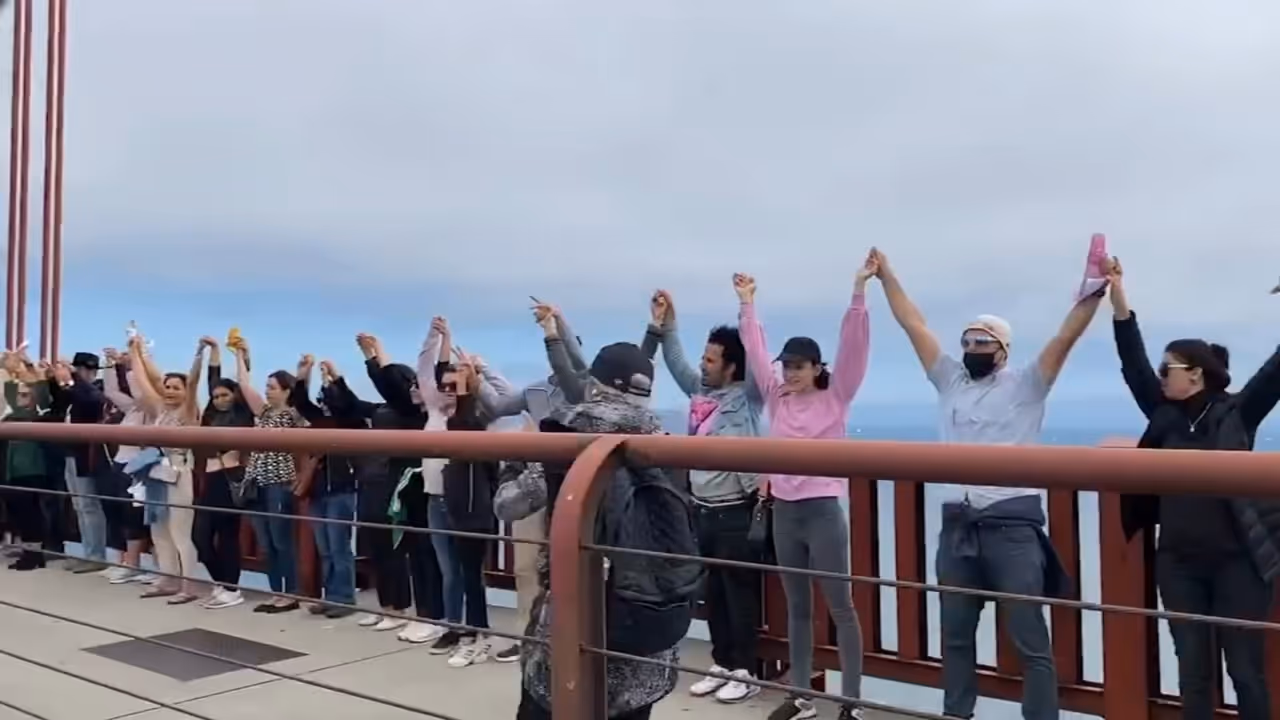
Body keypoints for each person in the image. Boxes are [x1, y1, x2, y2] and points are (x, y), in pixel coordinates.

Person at [874, 247, 1096, 720]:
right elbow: (913, 324)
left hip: (1012, 528)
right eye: (968, 341)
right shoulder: (951, 382)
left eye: (983, 342)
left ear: (1003, 350)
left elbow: (1065, 337)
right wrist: (886, 276)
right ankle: (958, 715)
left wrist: (1096, 291)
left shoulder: (1028, 385)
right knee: (954, 636)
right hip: (957, 527)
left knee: (1030, 641)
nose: (972, 349)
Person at [1109, 258, 1280, 720]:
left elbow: (1276, 371)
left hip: (1238, 564)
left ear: (1197, 374)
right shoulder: (1163, 416)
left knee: (1245, 671)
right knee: (1193, 672)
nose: (1162, 376)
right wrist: (1118, 294)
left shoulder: (1238, 414)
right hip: (1179, 562)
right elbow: (1133, 364)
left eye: (1170, 369)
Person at [495, 341, 679, 720]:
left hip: (571, 624)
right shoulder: (665, 443)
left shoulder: (569, 434)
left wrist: (519, 455)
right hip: (647, 631)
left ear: (594, 385)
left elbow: (507, 505)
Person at [735, 261, 873, 720]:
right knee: (796, 606)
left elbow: (853, 350)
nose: (790, 372)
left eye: (799, 366)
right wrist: (747, 302)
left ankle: (850, 704)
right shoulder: (777, 396)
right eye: (787, 366)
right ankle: (801, 695)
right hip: (785, 510)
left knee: (840, 607)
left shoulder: (836, 396)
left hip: (822, 510)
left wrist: (858, 293)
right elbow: (755, 351)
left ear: (817, 368)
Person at [642, 289, 766, 703]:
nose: (702, 364)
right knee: (712, 591)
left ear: (732, 366)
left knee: (738, 592)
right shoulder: (701, 393)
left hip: (735, 509)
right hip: (702, 509)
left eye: (711, 359)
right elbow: (676, 361)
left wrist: (746, 306)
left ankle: (746, 669)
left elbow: (760, 361)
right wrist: (666, 323)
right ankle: (723, 662)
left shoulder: (747, 398)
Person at [361, 331, 446, 642]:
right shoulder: (399, 409)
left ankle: (430, 615)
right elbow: (391, 388)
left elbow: (395, 384)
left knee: (425, 553)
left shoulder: (420, 412)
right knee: (412, 551)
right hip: (407, 488)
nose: (412, 390)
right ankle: (418, 613)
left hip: (424, 487)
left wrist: (375, 357)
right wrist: (375, 358)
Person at [432, 329, 502, 668]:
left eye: (455, 384)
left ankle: (480, 636)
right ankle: (473, 633)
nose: (449, 390)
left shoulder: (474, 421)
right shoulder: (456, 421)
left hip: (476, 509)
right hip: (461, 505)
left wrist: (472, 376)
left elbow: (468, 407)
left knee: (472, 576)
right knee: (466, 573)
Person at [125, 332, 204, 604]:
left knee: (181, 532)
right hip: (157, 474)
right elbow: (146, 382)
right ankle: (167, 578)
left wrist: (199, 355)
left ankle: (189, 585)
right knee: (159, 531)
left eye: (175, 387)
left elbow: (193, 383)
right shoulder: (161, 409)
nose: (170, 391)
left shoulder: (189, 411)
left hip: (180, 475)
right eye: (168, 387)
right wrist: (135, 351)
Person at [235, 336, 306, 614]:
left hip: (279, 484)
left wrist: (302, 372)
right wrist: (240, 355)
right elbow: (244, 386)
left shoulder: (292, 415)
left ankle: (291, 593)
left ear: (287, 391)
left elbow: (302, 397)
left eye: (273, 387)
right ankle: (276, 592)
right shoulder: (263, 413)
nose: (268, 392)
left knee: (281, 541)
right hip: (256, 484)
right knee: (266, 544)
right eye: (267, 386)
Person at [291, 354, 359, 619]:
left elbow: (350, 403)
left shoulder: (349, 421)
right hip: (320, 490)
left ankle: (344, 598)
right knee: (326, 548)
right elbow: (300, 402)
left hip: (341, 489)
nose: (326, 402)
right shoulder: (319, 420)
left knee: (339, 546)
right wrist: (302, 374)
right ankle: (331, 596)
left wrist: (335, 376)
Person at [192, 337, 256, 609]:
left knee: (227, 536)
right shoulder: (210, 416)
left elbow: (244, 385)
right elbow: (211, 380)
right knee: (200, 536)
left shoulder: (242, 415)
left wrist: (240, 355)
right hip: (210, 479)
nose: (219, 399)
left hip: (231, 479)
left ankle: (230, 588)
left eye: (224, 395)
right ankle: (223, 583)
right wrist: (212, 352)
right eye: (216, 396)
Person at [47, 351, 110, 573]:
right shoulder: (76, 392)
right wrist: (53, 378)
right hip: (71, 453)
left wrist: (73, 379)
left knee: (88, 505)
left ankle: (97, 555)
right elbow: (59, 399)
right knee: (79, 506)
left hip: (86, 455)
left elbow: (91, 400)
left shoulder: (94, 390)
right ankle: (89, 552)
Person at [99, 348, 153, 585]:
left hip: (136, 468)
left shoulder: (151, 410)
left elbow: (141, 388)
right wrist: (110, 363)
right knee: (116, 512)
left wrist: (134, 362)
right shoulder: (132, 409)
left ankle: (133, 563)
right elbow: (111, 390)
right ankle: (121, 560)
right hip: (120, 464)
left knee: (133, 517)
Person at [1, 354, 57, 571]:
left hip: (30, 465)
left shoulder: (37, 407)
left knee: (30, 511)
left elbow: (38, 391)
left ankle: (34, 553)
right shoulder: (14, 411)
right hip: (12, 466)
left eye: (25, 394)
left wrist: (21, 369)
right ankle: (29, 552)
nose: (20, 397)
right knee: (18, 510)